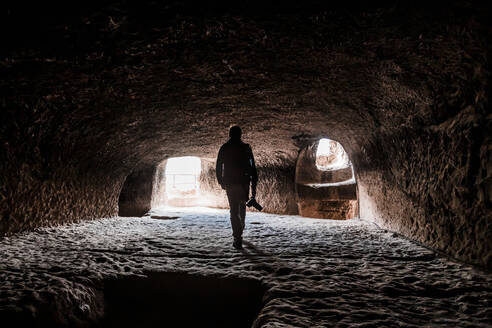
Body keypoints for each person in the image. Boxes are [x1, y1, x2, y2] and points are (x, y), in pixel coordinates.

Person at [216, 126, 258, 250]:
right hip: (244, 183)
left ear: (229, 134)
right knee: (242, 207)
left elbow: (219, 166)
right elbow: (252, 166)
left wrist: (221, 181)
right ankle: (240, 231)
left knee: (234, 210)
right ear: (240, 134)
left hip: (230, 183)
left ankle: (237, 237)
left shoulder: (224, 148)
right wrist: (254, 181)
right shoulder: (246, 148)